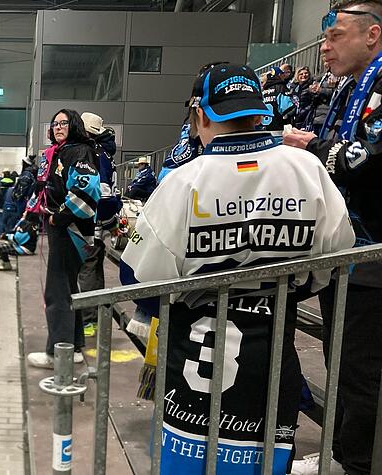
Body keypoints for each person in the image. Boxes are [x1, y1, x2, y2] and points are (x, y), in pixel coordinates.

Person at [123, 62, 355, 474]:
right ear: (257, 110)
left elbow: (137, 280)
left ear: (200, 114)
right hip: (271, 362)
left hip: (193, 374)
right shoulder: (306, 168)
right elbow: (335, 259)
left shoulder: (184, 179)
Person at [283, 3, 382, 473]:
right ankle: (341, 455)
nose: (323, 47)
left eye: (335, 35)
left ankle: (354, 463)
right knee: (339, 361)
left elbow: (362, 159)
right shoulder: (344, 90)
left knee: (358, 370)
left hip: (372, 255)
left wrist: (311, 148)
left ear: (371, 35)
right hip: (345, 251)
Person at [26, 109, 101, 369]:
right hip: (64, 227)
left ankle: (58, 352)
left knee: (57, 290)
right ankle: (74, 346)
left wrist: (60, 217)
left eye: (63, 123)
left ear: (74, 125)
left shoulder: (79, 151)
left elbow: (87, 187)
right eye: (55, 123)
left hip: (70, 230)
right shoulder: (62, 151)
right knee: (68, 289)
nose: (58, 127)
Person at [78, 112, 122, 328]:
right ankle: (94, 318)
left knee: (87, 271)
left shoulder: (92, 154)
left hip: (90, 225)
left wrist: (103, 221)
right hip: (98, 225)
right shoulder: (105, 154)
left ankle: (87, 321)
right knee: (95, 270)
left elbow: (103, 195)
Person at [262, 66, 297, 130]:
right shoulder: (281, 88)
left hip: (265, 129)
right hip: (279, 129)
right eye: (282, 74)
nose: (284, 76)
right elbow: (288, 108)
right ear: (279, 75)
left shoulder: (263, 92)